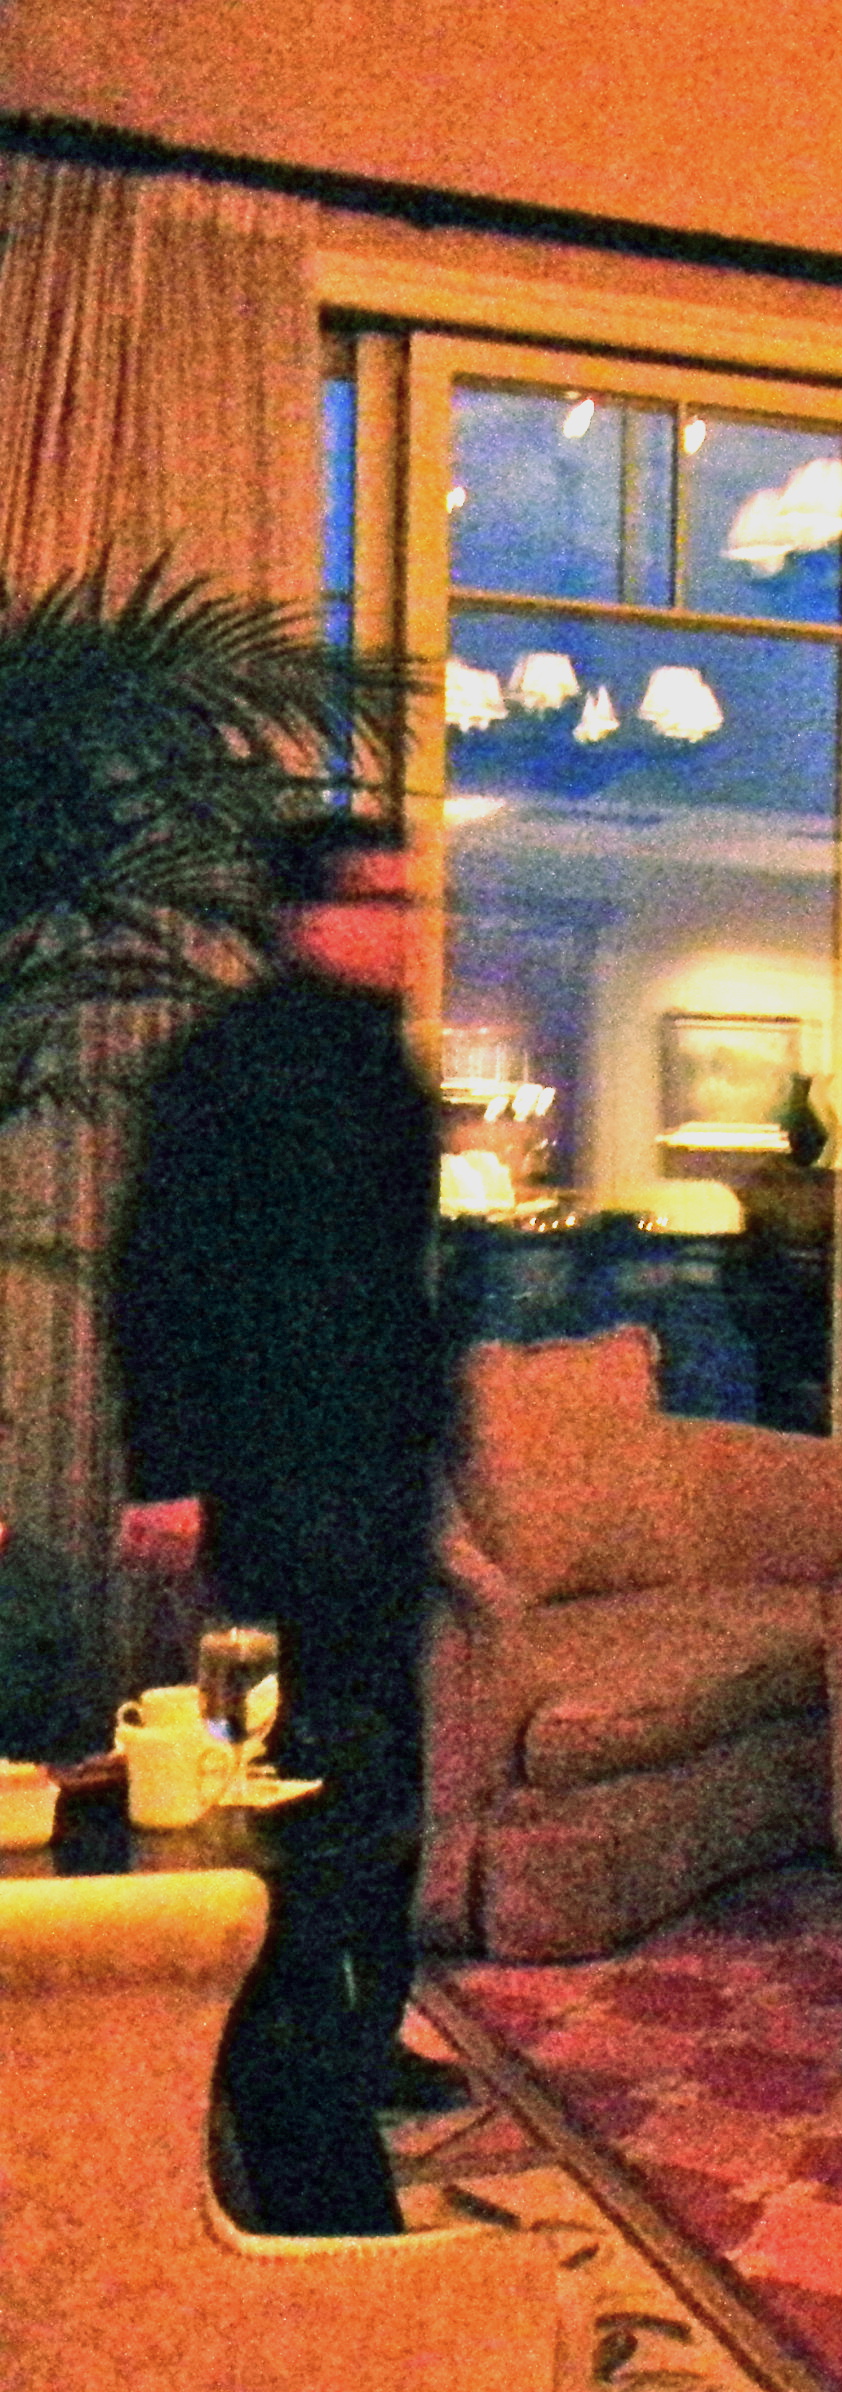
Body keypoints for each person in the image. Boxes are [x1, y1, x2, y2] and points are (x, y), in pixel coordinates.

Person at [108, 818, 457, 2235]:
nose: (404, 926)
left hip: (377, 1475)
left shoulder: (387, 1063)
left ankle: (361, 2047)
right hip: (272, 1475)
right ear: (303, 916)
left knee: (382, 1780)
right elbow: (161, 1273)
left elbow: (387, 1280)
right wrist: (167, 1473)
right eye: (375, 901)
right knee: (289, 1776)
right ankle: (282, 2064)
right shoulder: (230, 1064)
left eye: (412, 901)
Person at [723, 1074, 834, 1436]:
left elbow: (736, 1266)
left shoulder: (831, 1191)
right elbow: (738, 1267)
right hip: (785, 1331)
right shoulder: (770, 1188)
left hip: (799, 1331)